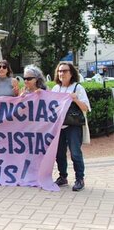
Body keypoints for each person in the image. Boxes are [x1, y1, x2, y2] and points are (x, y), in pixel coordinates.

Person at [52, 62, 91, 192]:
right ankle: (63, 177)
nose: (62, 73)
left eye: (65, 71)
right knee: (59, 154)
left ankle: (80, 178)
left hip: (73, 126)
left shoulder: (77, 88)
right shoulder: (56, 89)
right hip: (59, 126)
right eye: (60, 71)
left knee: (75, 153)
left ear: (71, 73)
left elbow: (86, 108)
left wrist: (75, 99)